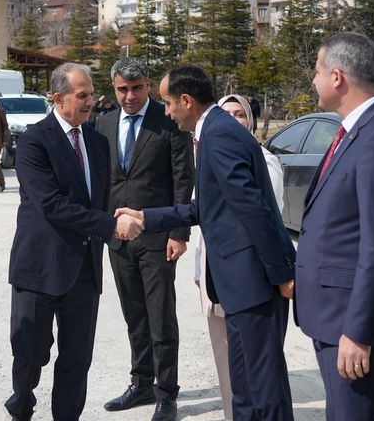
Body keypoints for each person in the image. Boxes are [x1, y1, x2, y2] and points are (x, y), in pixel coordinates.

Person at [117, 65, 296, 421]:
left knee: (264, 387)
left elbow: (253, 209)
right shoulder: (213, 132)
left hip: (254, 283)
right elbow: (206, 206)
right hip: (240, 285)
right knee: (242, 386)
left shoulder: (219, 135)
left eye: (168, 103)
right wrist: (146, 217)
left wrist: (281, 273)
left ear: (186, 100)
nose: (166, 111)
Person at [5, 62, 144, 421]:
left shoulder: (97, 142)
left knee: (77, 358)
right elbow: (51, 205)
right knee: (31, 352)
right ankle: (21, 403)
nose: (91, 101)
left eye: (92, 93)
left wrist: (123, 218)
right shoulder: (35, 141)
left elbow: (100, 199)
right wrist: (110, 226)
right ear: (58, 98)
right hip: (39, 267)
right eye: (82, 95)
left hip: (83, 270)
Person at [295, 32, 374, 421]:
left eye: (316, 71)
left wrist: (359, 331)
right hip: (333, 318)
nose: (312, 80)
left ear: (337, 76)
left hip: (353, 326)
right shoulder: (355, 131)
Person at [96, 58, 194, 421]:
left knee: (160, 318)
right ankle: (141, 383)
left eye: (136, 89)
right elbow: (104, 179)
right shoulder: (103, 123)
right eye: (122, 89)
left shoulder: (167, 122)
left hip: (157, 236)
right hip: (118, 238)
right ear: (115, 88)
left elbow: (184, 178)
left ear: (148, 86)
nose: (129, 96)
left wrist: (179, 234)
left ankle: (167, 393)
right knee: (134, 314)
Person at [192, 93, 285, 421]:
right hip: (218, 274)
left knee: (260, 378)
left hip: (249, 277)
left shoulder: (262, 159)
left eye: (240, 114)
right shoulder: (211, 151)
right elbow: (205, 216)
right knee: (232, 368)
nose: (233, 119)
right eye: (226, 112)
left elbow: (261, 215)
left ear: (251, 120)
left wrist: (283, 273)